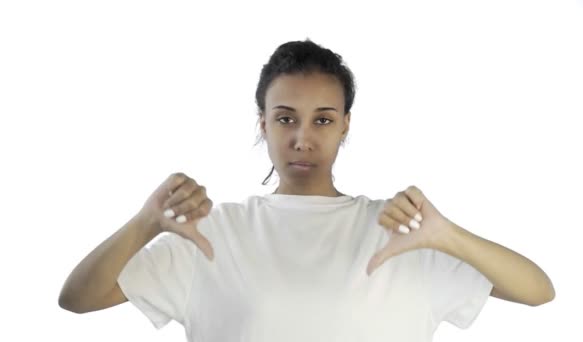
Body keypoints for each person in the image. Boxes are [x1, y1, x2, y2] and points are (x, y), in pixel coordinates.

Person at [58, 39, 555, 342]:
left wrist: (447, 236)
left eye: (322, 119)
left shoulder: (399, 231)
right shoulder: (215, 233)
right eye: (285, 119)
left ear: (345, 125)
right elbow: (77, 299)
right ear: (263, 124)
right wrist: (145, 221)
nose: (302, 138)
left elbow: (538, 292)